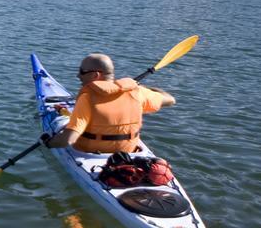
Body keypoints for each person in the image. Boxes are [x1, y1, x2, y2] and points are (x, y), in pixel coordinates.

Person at [43, 52, 175, 153]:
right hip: (129, 153)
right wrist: (145, 88)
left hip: (89, 153)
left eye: (82, 72)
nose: (78, 76)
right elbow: (170, 99)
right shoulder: (137, 93)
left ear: (96, 75)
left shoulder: (87, 98)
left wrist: (48, 143)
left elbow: (68, 139)